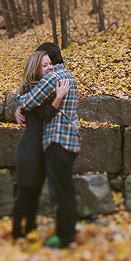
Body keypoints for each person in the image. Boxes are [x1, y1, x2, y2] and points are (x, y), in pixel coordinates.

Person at [15, 42, 80, 249]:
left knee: (60, 192)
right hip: (71, 139)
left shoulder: (53, 78)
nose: (48, 67)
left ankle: (63, 237)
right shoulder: (69, 76)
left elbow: (28, 100)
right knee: (65, 189)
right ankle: (68, 231)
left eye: (48, 62)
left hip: (57, 140)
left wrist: (19, 104)